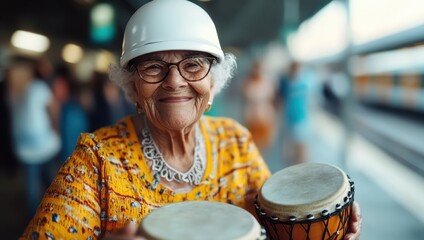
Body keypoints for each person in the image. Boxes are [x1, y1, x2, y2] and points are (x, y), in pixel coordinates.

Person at [20, 0, 361, 239]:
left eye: (193, 64)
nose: (174, 81)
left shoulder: (235, 143)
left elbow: (276, 228)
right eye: (153, 67)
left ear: (213, 84)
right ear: (132, 88)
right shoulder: (95, 162)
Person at [6, 55, 61, 217]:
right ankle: (56, 212)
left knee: (32, 185)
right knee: (51, 179)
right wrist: (56, 129)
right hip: (45, 143)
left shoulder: (12, 94)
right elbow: (54, 109)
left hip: (24, 147)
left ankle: (35, 221)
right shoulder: (38, 87)